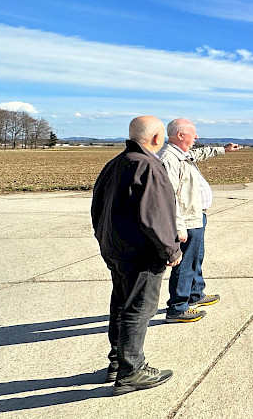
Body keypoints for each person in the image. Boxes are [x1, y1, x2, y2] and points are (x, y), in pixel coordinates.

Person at [91, 116, 182, 395]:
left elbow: (97, 207)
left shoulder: (116, 163)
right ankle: (132, 372)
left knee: (120, 306)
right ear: (156, 138)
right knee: (138, 310)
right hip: (140, 254)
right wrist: (171, 250)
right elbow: (155, 217)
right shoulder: (148, 165)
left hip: (115, 249)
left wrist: (103, 240)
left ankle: (118, 364)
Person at [158, 118, 240, 323]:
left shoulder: (183, 155)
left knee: (196, 259)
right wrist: (179, 227)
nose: (196, 137)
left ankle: (195, 294)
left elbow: (199, 153)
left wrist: (224, 150)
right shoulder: (169, 158)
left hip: (196, 216)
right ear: (180, 135)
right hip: (186, 221)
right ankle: (177, 308)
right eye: (193, 133)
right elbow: (169, 197)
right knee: (184, 264)